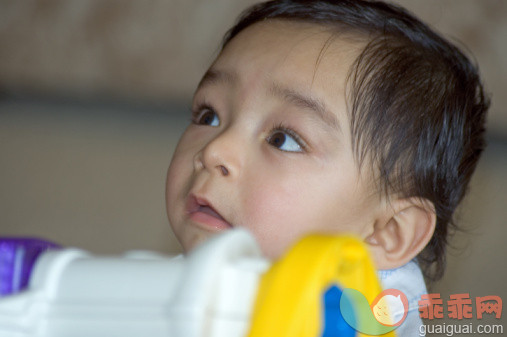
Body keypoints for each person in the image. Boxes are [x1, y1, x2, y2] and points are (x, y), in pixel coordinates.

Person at [164, 0, 489, 334]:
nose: (214, 150)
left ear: (386, 232)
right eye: (209, 116)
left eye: (283, 139)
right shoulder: (146, 290)